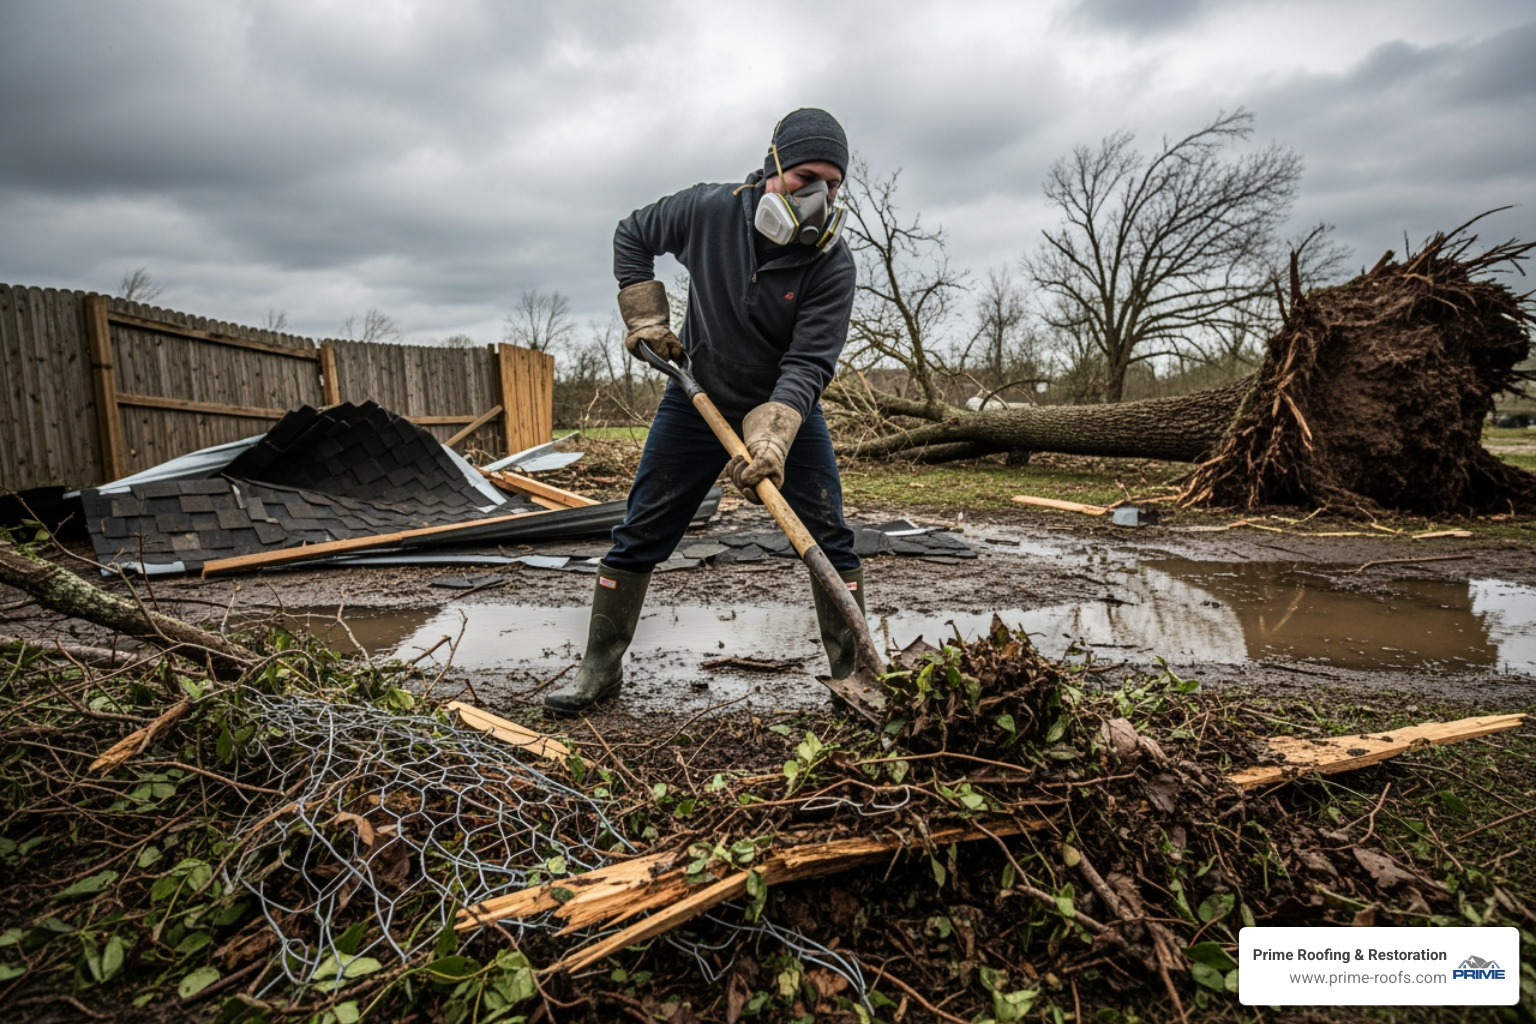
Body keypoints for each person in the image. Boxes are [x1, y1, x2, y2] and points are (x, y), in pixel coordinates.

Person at [544, 107, 865, 714]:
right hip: (697, 397)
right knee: (640, 532)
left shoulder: (831, 263)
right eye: (804, 180)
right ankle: (600, 667)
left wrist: (774, 437)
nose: (818, 197)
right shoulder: (709, 211)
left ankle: (858, 677)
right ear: (772, 168)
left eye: (832, 184)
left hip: (786, 411)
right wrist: (645, 317)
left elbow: (809, 363)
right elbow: (632, 234)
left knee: (832, 539)